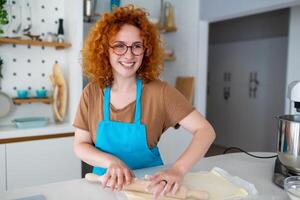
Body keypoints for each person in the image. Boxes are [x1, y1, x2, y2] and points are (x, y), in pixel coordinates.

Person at [73, 4, 215, 199]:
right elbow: (80, 144)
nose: (129, 55)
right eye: (119, 45)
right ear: (105, 50)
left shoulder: (160, 92)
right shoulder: (91, 92)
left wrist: (178, 170)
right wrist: (111, 162)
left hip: (152, 189)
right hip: (104, 187)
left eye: (137, 46)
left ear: (145, 51)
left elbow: (205, 131)